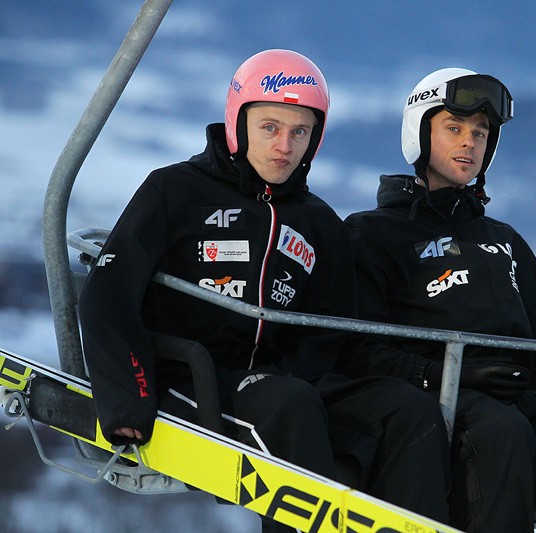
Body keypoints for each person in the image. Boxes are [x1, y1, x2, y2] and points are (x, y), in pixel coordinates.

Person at [78, 50, 450, 531]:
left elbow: (333, 331)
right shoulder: (176, 191)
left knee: (410, 412)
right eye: (270, 127)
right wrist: (127, 399)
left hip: (282, 383)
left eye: (300, 132)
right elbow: (107, 294)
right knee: (287, 403)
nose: (284, 146)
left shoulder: (319, 222)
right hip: (190, 380)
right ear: (239, 124)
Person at [343, 68, 536, 532]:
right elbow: (355, 346)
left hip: (517, 402)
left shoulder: (502, 239)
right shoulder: (374, 234)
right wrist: (443, 373)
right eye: (453, 128)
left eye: (480, 133)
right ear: (419, 133)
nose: (469, 142)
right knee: (503, 434)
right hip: (438, 403)